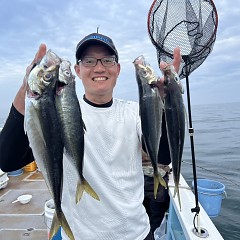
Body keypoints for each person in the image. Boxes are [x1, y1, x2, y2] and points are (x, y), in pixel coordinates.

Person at [0, 32, 181, 240]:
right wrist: (27, 88)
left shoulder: (135, 112)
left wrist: (170, 102)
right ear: (77, 70)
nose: (99, 67)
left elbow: (164, 156)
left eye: (108, 60)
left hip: (136, 233)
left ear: (118, 69)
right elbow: (7, 159)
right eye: (89, 61)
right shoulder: (58, 114)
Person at [142, 114, 171, 237]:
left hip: (142, 183)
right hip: (154, 183)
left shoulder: (141, 126)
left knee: (148, 213)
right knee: (156, 216)